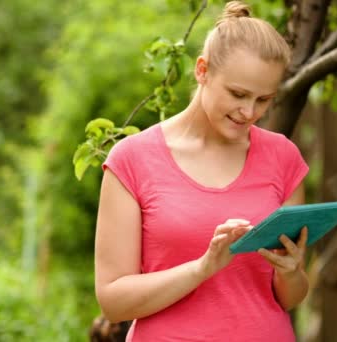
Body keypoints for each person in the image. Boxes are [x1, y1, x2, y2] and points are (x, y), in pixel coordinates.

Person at [94, 1, 310, 341]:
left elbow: (290, 297)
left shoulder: (284, 157)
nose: (249, 111)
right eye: (238, 94)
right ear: (202, 70)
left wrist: (292, 272)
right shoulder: (132, 160)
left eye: (263, 99)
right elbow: (113, 302)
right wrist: (203, 268)